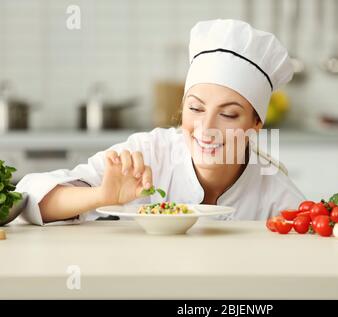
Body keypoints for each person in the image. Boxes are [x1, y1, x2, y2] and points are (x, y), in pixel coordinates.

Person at [16, 19, 305, 225]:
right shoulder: (150, 152)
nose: (207, 128)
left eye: (228, 114)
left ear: (256, 125)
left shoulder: (276, 192)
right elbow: (32, 198)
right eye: (195, 108)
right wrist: (101, 195)